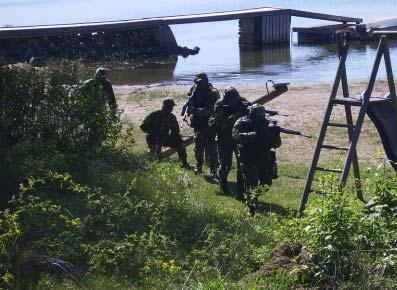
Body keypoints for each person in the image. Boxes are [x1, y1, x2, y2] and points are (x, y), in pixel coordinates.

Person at [232, 104, 281, 212]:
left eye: (261, 116)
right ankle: (252, 206)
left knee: (267, 184)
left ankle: (251, 197)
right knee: (252, 182)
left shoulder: (268, 124)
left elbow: (277, 145)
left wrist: (275, 134)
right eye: (257, 116)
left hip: (263, 157)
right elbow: (236, 136)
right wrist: (254, 134)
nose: (259, 119)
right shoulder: (242, 122)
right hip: (248, 156)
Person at [211, 87, 251, 194]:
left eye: (236, 99)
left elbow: (249, 116)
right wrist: (236, 115)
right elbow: (222, 124)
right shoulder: (219, 104)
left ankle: (240, 191)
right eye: (232, 100)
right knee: (225, 164)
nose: (235, 102)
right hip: (224, 137)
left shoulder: (242, 101)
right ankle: (223, 187)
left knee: (241, 164)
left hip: (238, 137)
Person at [184, 72, 219, 177]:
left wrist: (195, 110)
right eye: (196, 82)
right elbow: (190, 102)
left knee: (212, 147)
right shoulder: (194, 90)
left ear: (205, 81)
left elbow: (211, 110)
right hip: (198, 123)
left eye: (200, 82)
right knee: (198, 146)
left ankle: (213, 168)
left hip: (210, 122)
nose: (198, 84)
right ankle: (198, 164)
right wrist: (188, 109)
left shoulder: (213, 92)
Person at [140, 98, 190, 168]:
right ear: (164, 106)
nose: (171, 109)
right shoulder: (154, 115)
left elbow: (175, 132)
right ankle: (151, 164)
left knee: (180, 144)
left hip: (164, 138)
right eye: (170, 107)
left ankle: (184, 164)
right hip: (152, 138)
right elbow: (142, 126)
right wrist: (153, 132)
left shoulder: (172, 117)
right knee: (153, 152)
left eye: (171, 107)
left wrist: (177, 138)